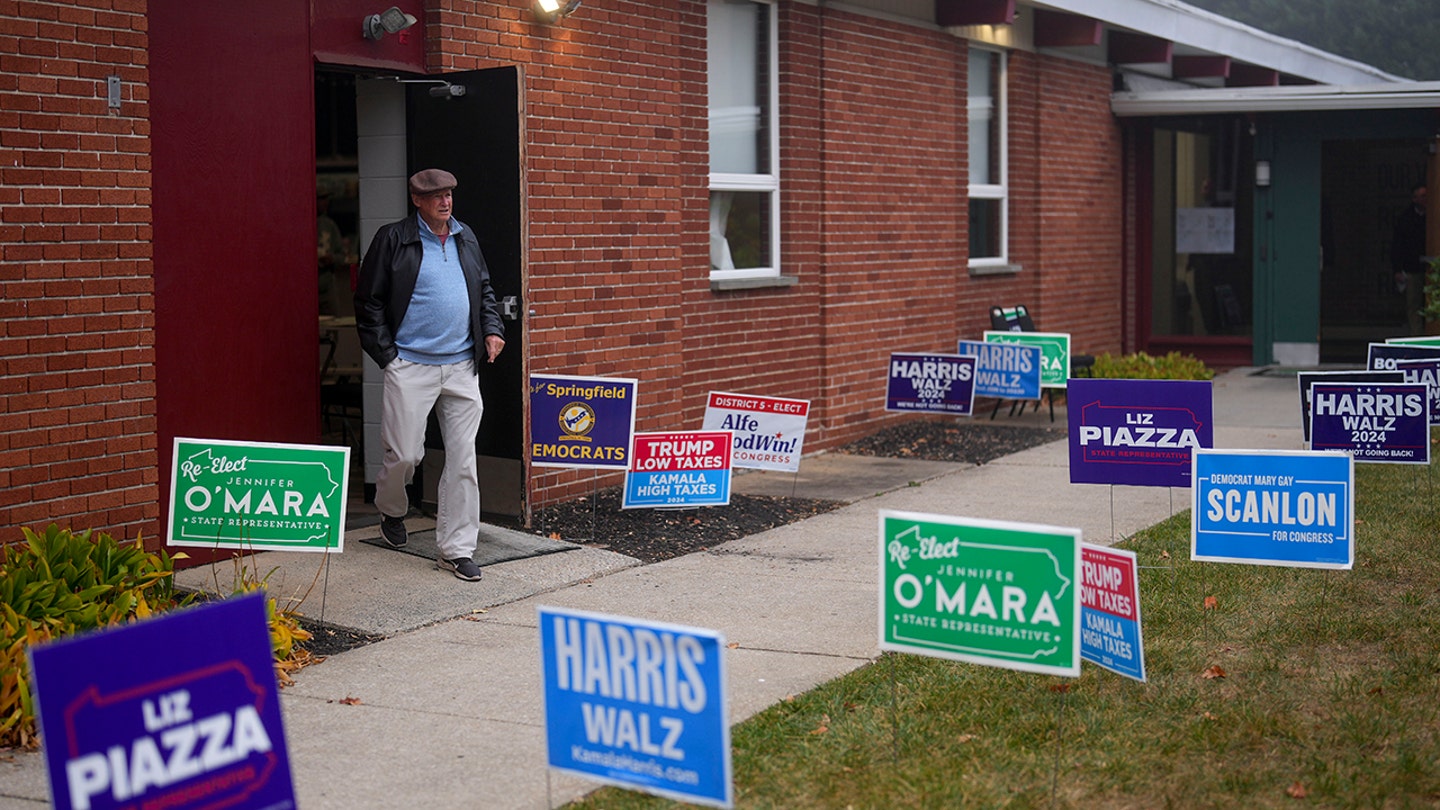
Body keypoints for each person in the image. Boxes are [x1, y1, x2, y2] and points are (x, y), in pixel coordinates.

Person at [354, 169, 506, 581]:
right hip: (410, 364)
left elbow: (485, 289)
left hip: (461, 366)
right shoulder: (392, 238)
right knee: (405, 454)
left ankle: (456, 550)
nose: (445, 201)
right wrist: (389, 356)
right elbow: (368, 302)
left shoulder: (465, 236)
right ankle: (392, 510)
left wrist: (492, 330)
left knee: (463, 460)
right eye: (435, 195)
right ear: (417, 200)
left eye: (449, 194)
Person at [1390, 183, 1427, 335]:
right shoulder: (1405, 219)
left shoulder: (1435, 215)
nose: (1426, 199)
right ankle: (1417, 337)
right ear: (1414, 199)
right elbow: (1397, 245)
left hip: (1432, 268)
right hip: (1412, 269)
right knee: (1414, 305)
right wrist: (1398, 269)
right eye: (1423, 196)